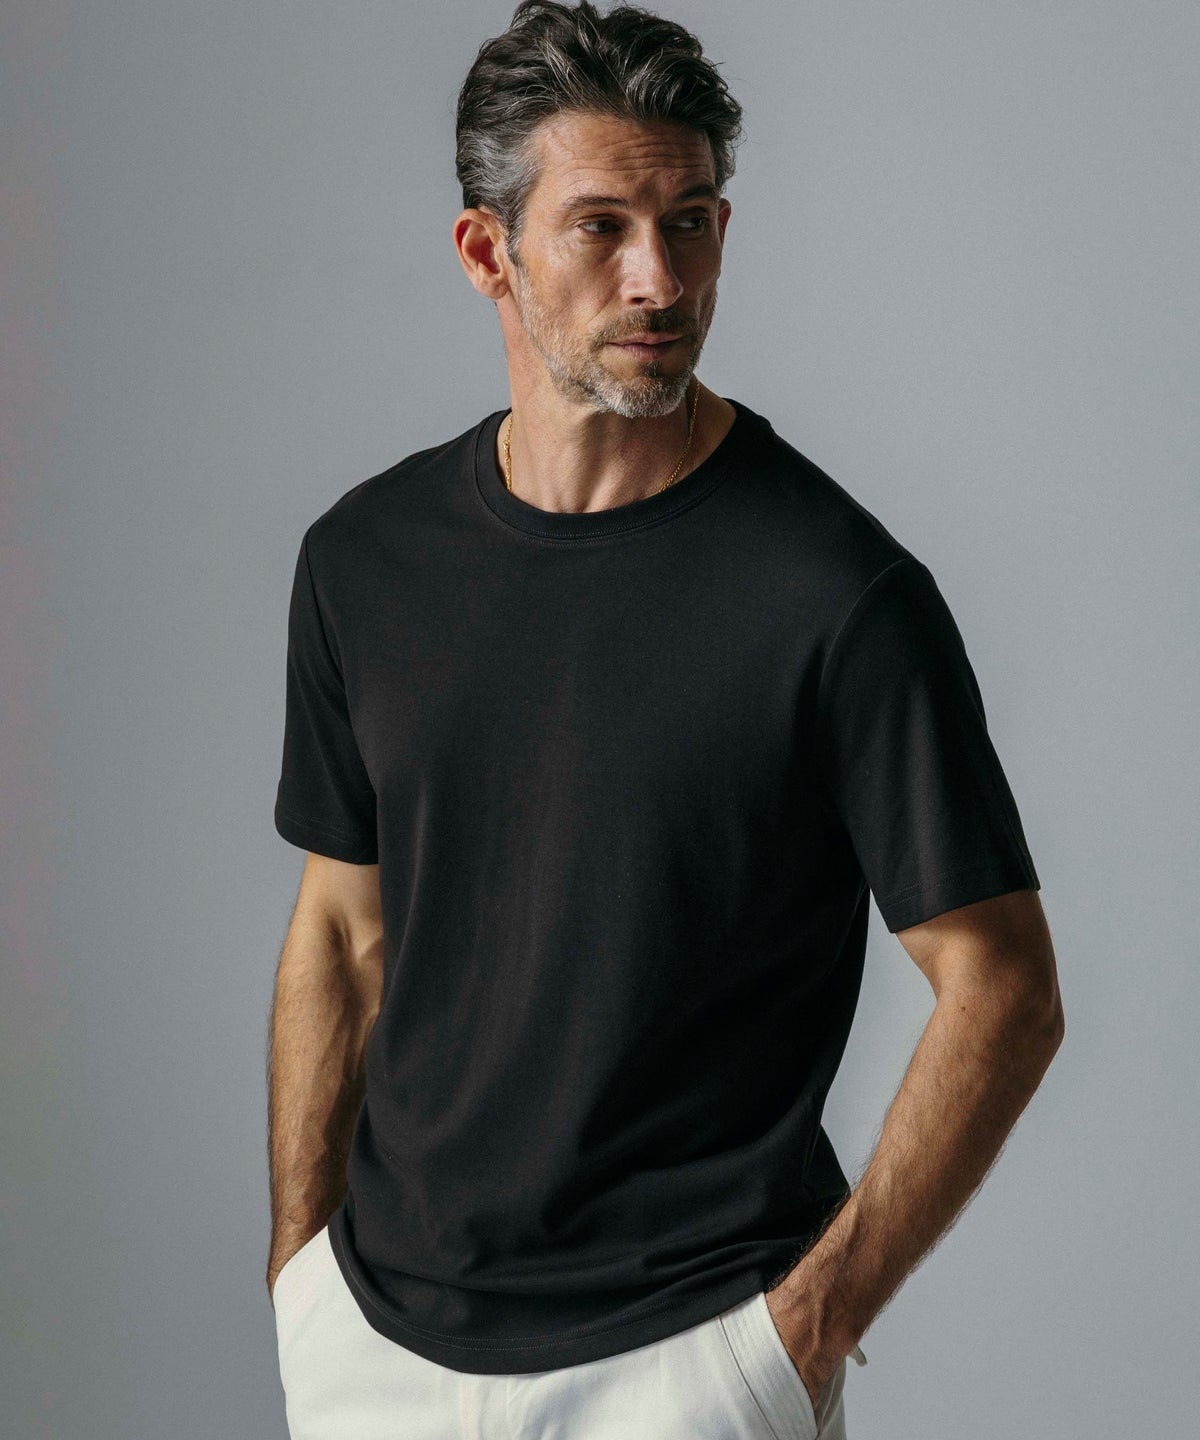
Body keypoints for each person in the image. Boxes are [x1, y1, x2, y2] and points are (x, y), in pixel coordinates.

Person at [265, 3, 1065, 1437]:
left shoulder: (837, 595)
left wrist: (806, 1331)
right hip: (376, 1349)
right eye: (602, 227)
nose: (661, 278)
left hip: (688, 1361)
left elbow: (1005, 985)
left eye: (690, 223)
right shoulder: (364, 561)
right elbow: (340, 927)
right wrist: (298, 1280)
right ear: (488, 252)